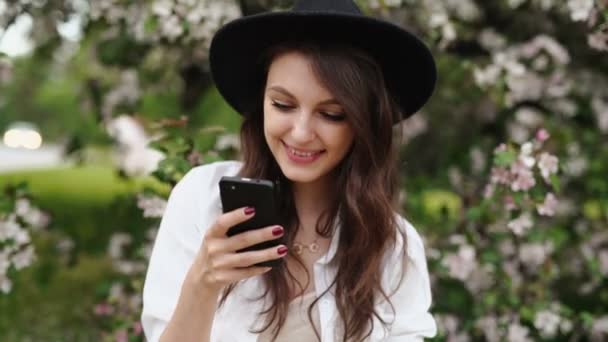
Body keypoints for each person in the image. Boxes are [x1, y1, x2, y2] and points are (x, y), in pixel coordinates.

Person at [141, 0, 437, 341]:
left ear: (362, 124)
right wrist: (203, 282)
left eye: (331, 114)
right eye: (283, 105)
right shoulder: (202, 200)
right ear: (262, 103)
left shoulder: (391, 246)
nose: (300, 132)